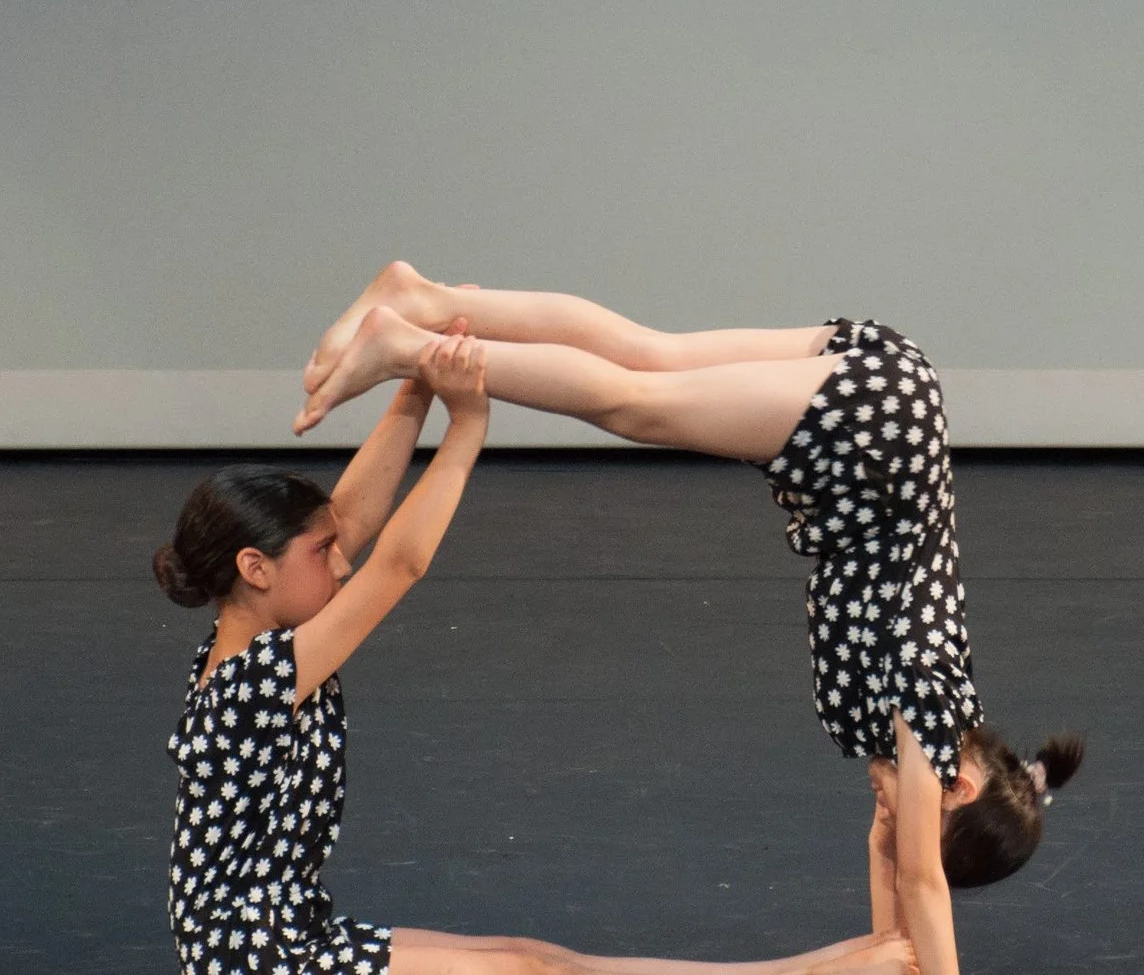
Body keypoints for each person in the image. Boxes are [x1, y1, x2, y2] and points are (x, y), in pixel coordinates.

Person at [293, 268, 1081, 975]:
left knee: (648, 356)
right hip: (875, 439)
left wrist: (892, 912)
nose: (889, 816)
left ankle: (425, 300)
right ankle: (407, 347)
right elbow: (919, 881)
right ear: (963, 786)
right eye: (914, 821)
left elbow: (894, 902)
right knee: (636, 404)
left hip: (893, 407)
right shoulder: (931, 718)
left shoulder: (930, 734)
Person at [161, 332, 912, 974]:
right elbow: (398, 564)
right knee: (529, 971)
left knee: (531, 956)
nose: (342, 560)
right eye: (323, 553)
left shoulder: (262, 631)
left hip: (284, 935)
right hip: (259, 961)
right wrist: (467, 422)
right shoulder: (255, 682)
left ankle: (813, 965)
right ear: (255, 568)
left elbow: (351, 518)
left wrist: (417, 381)